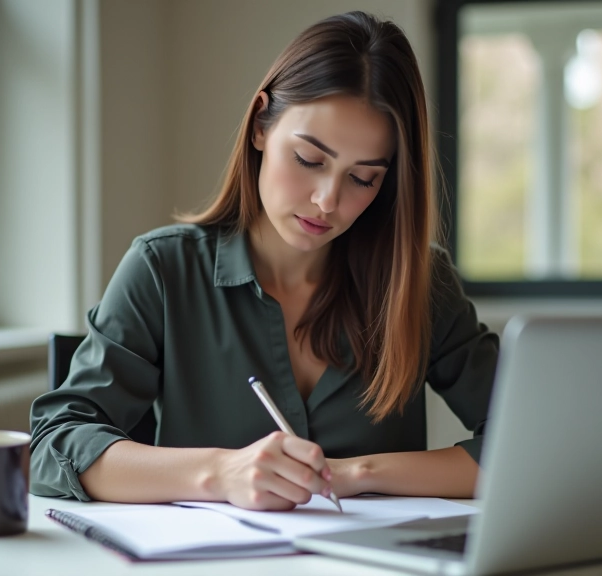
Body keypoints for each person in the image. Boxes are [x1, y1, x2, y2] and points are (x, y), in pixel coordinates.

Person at [30, 11, 498, 511]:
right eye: (309, 160)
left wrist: (357, 472)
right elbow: (54, 446)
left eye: (363, 178)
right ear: (259, 125)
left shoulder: (421, 284)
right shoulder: (163, 271)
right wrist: (219, 474)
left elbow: (533, 442)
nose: (326, 200)